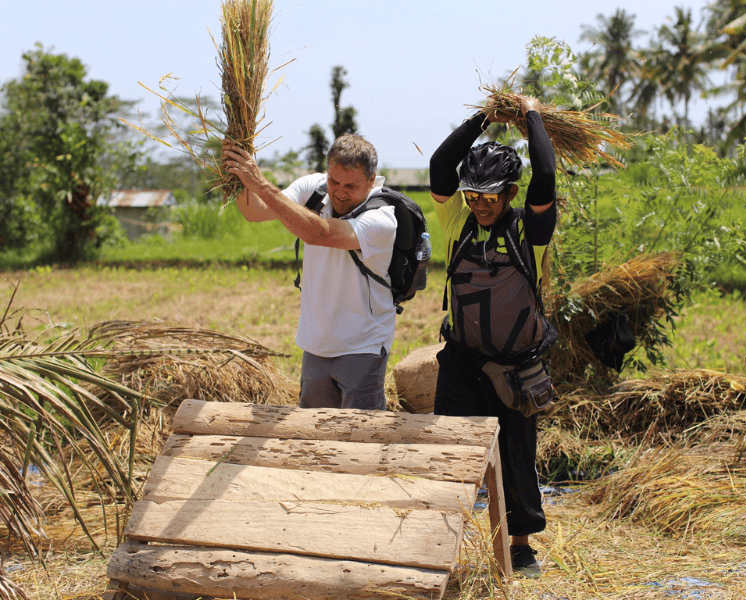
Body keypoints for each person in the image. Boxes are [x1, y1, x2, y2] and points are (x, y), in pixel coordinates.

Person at [429, 96, 557, 577]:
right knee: (450, 454)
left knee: (515, 458)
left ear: (509, 193)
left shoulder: (530, 232)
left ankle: (519, 548)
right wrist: (484, 118)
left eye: (490, 197)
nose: (480, 206)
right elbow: (441, 165)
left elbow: (545, 179)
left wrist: (532, 117)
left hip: (517, 366)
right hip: (462, 362)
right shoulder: (456, 221)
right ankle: (439, 542)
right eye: (473, 196)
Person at [222, 133, 397, 410]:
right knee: (313, 438)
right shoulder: (313, 189)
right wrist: (238, 172)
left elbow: (318, 233)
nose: (339, 192)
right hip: (315, 344)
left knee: (360, 437)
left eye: (350, 186)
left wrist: (262, 184)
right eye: (334, 181)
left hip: (362, 346)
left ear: (372, 181)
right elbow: (254, 211)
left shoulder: (381, 218)